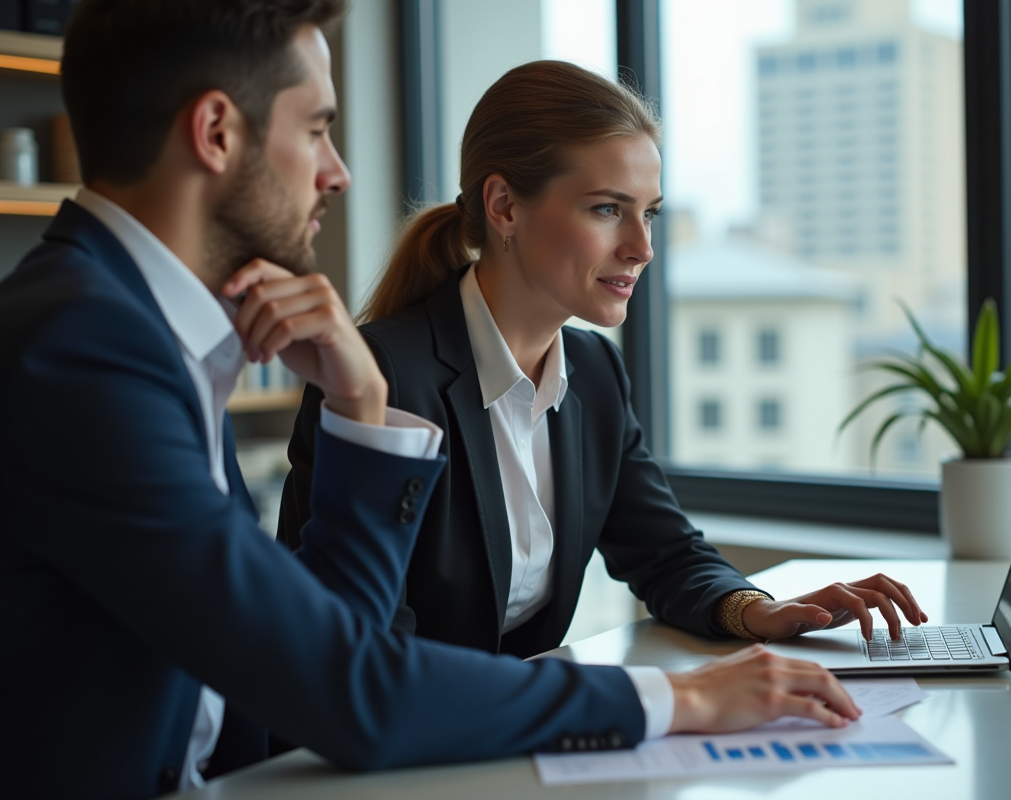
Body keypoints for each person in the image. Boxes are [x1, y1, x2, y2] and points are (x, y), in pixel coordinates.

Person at [0, 4, 866, 798]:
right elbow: (343, 682)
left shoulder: (144, 335)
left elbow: (318, 653)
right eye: (318, 129)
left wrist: (360, 403)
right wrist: (679, 701)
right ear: (218, 132)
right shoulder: (86, 348)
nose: (338, 174)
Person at [279, 61, 929, 663]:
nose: (642, 246)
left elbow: (666, 554)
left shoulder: (592, 371)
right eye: (607, 209)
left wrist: (759, 611)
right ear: (504, 205)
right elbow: (369, 650)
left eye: (648, 213)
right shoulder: (378, 377)